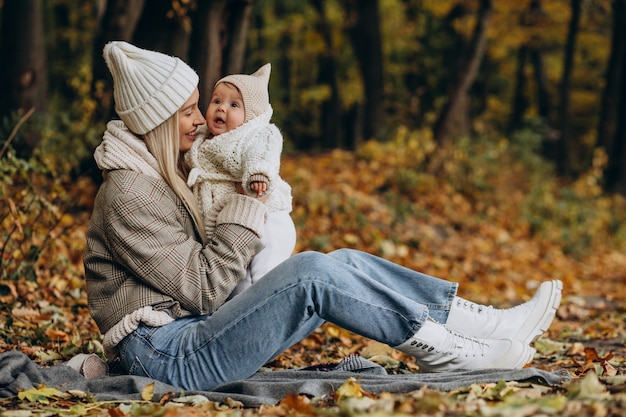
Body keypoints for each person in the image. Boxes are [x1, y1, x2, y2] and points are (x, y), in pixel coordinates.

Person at [84, 41, 563, 392]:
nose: (199, 121)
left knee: (343, 262)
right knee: (312, 272)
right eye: (188, 112)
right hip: (168, 358)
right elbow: (205, 290)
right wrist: (247, 204)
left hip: (184, 338)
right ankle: (446, 352)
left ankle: (478, 326)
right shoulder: (129, 192)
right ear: (158, 122)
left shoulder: (166, 173)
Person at [185, 63, 295, 297]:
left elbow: (262, 153)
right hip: (229, 224)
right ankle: (242, 317)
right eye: (216, 101)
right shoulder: (204, 137)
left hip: (267, 218)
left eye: (234, 105)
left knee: (266, 273)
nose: (221, 109)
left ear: (252, 116)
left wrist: (258, 174)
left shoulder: (255, 134)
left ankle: (275, 302)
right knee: (238, 285)